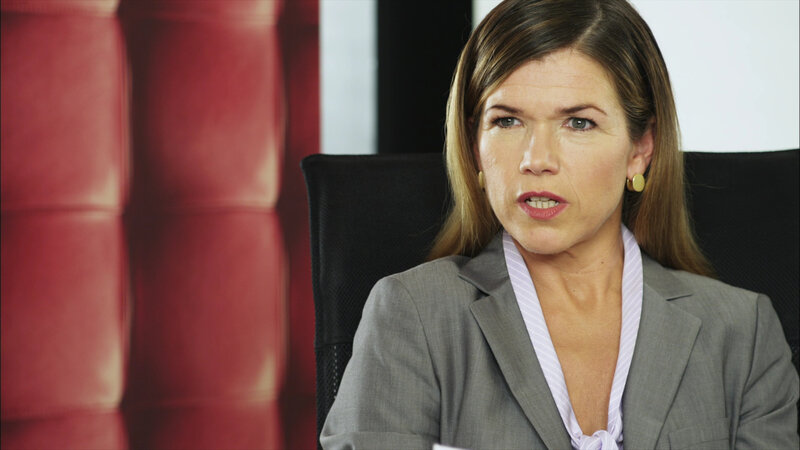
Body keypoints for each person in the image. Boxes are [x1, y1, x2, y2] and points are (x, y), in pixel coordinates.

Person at [320, 0, 799, 448]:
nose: (537, 159)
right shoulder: (414, 315)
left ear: (640, 149)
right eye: (507, 121)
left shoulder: (742, 332)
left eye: (578, 123)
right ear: (474, 146)